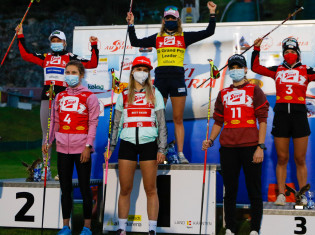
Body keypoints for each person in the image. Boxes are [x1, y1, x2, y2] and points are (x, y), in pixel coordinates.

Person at [126, 2, 217, 163]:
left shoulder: (184, 36)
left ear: (178, 20)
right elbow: (135, 42)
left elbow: (209, 31)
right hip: (161, 78)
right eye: (167, 18)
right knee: (157, 117)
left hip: (177, 79)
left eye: (173, 18)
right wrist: (131, 24)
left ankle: (180, 153)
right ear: (163, 20)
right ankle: (157, 150)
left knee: (177, 118)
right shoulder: (157, 38)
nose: (170, 20)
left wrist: (212, 13)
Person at [251, 37, 315, 205]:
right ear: (283, 54)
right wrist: (257, 48)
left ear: (298, 54)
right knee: (282, 158)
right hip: (281, 115)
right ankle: (281, 194)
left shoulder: (306, 69)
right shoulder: (277, 69)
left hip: (299, 116)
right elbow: (256, 67)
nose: (289, 54)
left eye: (292, 51)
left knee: (300, 159)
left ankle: (302, 194)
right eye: (286, 52)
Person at [16, 25, 99, 180]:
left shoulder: (70, 57)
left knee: (65, 133)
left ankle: (63, 171)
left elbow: (92, 64)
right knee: (46, 135)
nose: (55, 43)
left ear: (65, 43)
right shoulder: (45, 57)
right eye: (53, 40)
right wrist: (20, 36)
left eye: (58, 40)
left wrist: (94, 46)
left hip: (65, 101)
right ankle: (46, 169)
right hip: (47, 98)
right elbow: (26, 55)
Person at [202, 54, 269, 235]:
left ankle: (255, 228)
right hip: (229, 147)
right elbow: (218, 121)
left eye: (238, 66)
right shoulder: (223, 93)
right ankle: (230, 227)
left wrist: (260, 147)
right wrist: (211, 139)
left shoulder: (255, 90)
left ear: (245, 69)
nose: (235, 70)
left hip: (250, 146)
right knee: (230, 190)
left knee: (253, 189)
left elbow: (262, 121)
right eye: (232, 67)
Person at [104, 56, 167, 235]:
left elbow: (162, 122)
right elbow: (115, 123)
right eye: (139, 69)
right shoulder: (123, 95)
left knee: (150, 188)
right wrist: (111, 147)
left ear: (149, 73)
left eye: (145, 69)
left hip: (149, 144)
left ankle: (152, 230)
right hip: (128, 144)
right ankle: (121, 228)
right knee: (125, 188)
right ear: (132, 72)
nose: (142, 72)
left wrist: (162, 149)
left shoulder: (156, 92)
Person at [42, 60, 100, 235]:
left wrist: (87, 146)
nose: (70, 75)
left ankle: (87, 227)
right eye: (68, 72)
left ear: (81, 75)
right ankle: (66, 226)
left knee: (84, 188)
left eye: (74, 72)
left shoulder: (90, 96)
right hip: (62, 148)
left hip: (82, 149)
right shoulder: (59, 97)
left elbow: (93, 123)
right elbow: (55, 122)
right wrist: (49, 140)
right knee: (65, 188)